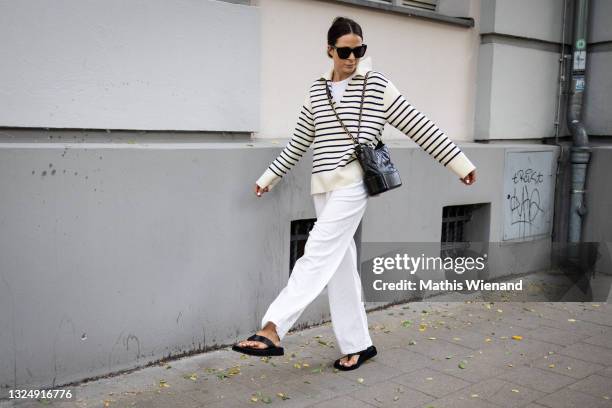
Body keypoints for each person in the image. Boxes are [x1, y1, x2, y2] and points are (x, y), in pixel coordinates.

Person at [232, 16, 477, 371]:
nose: (352, 58)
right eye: (345, 51)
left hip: (354, 184)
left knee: (316, 250)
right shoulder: (316, 90)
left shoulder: (376, 86)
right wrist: (269, 177)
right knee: (340, 266)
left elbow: (419, 124)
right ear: (329, 50)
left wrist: (460, 163)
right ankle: (358, 344)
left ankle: (273, 327)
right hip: (323, 187)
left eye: (359, 50)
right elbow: (301, 140)